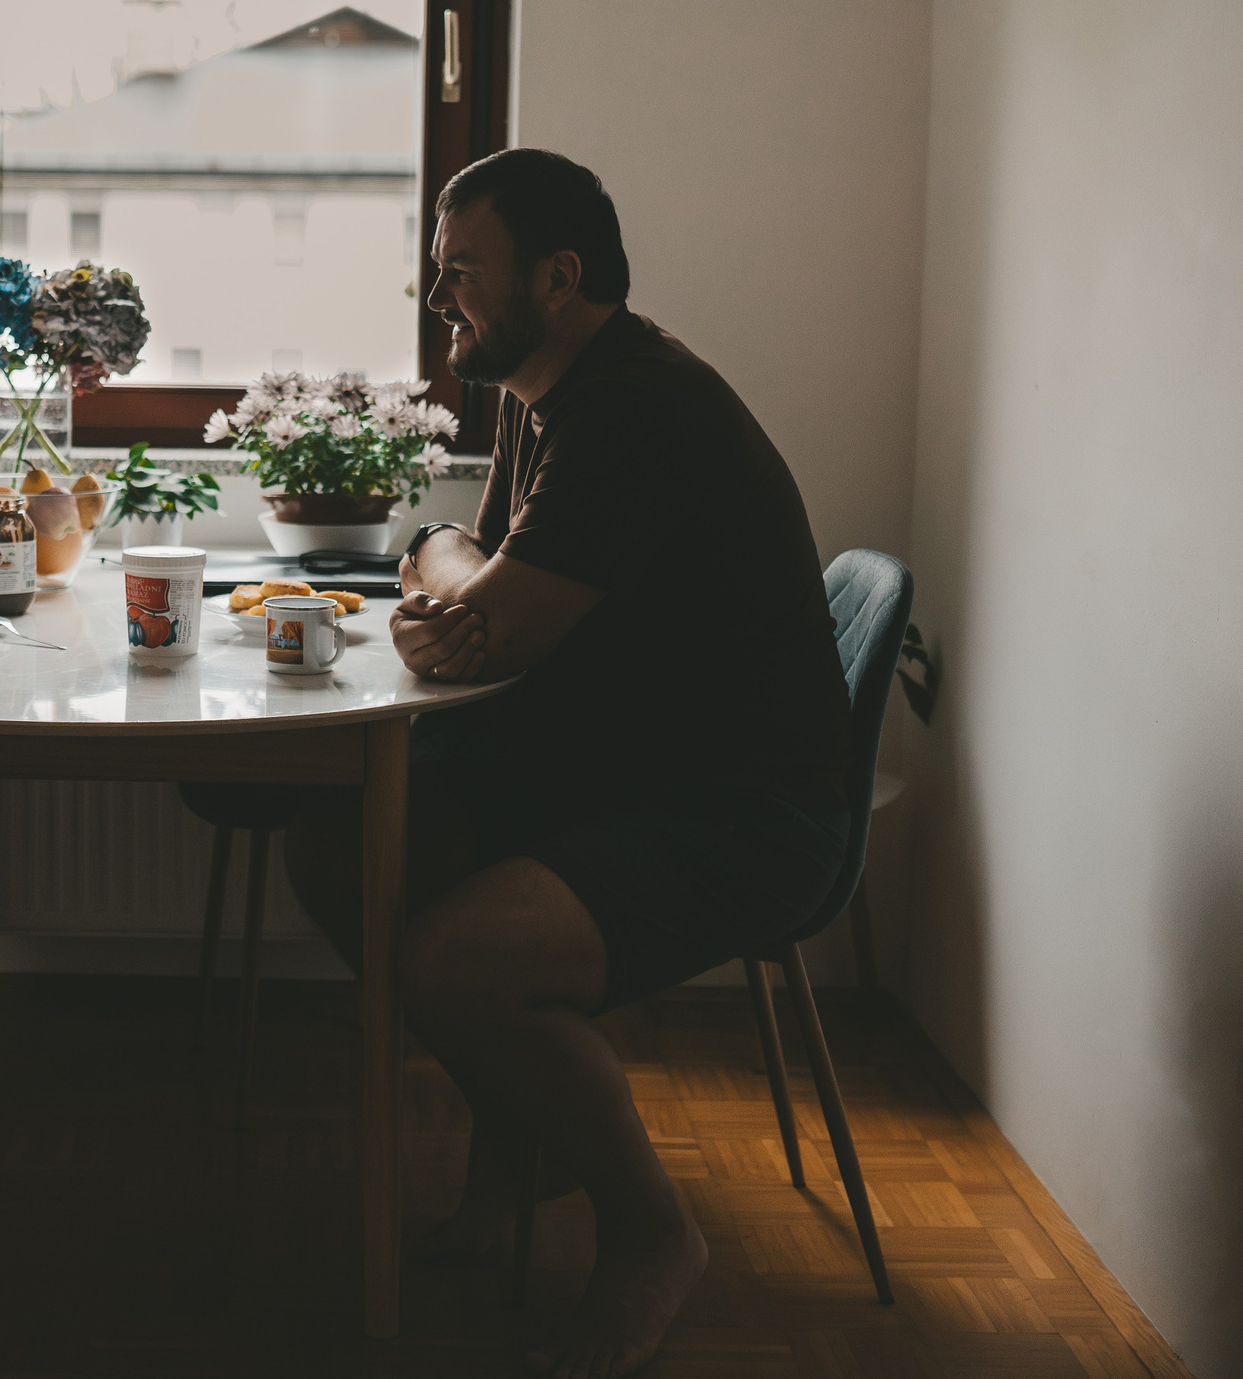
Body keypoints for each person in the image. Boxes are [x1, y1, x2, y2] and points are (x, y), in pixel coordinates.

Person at [188, 149, 850, 1379]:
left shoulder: (633, 406)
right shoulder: (540, 386)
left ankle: (651, 1230)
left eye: (459, 274)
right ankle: (517, 1132)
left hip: (737, 807)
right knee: (337, 844)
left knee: (453, 956)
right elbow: (478, 594)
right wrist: (457, 562)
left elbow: (483, 620)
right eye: (435, 274)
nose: (437, 300)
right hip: (615, 766)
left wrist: (439, 555)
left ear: (559, 275)